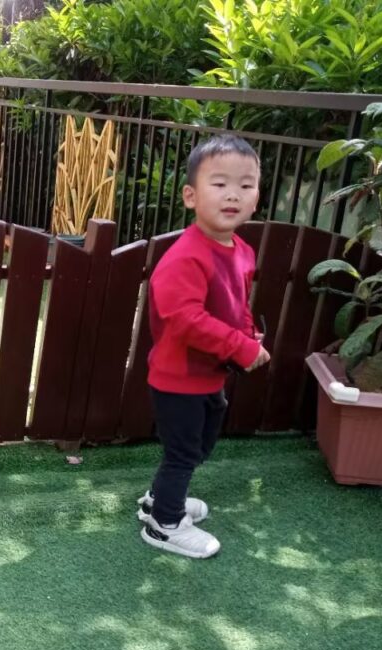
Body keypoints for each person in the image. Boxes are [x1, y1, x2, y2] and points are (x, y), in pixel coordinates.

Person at [138, 135, 270, 559]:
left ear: (256, 198)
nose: (233, 194)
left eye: (245, 185)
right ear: (191, 196)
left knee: (200, 444)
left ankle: (158, 499)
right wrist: (239, 348)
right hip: (178, 379)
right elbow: (185, 320)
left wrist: (247, 339)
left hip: (210, 375)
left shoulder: (242, 251)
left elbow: (238, 305)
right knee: (183, 453)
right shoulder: (185, 258)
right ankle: (165, 524)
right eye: (219, 184)